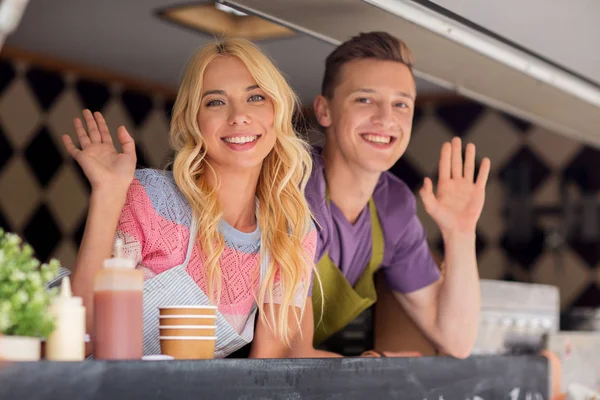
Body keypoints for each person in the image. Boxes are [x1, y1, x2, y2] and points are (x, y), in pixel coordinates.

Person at [53, 37, 317, 358]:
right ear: (192, 121)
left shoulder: (291, 232)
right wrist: (108, 194)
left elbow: (267, 366)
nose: (239, 116)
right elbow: (81, 333)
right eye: (216, 102)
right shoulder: (151, 199)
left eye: (256, 97)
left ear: (278, 109)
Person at [289, 32, 491, 359]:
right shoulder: (293, 187)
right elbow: (286, 351)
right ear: (324, 111)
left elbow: (456, 340)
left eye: (401, 104)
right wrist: (379, 369)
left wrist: (461, 234)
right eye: (365, 99)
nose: (386, 119)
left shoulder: (392, 206)